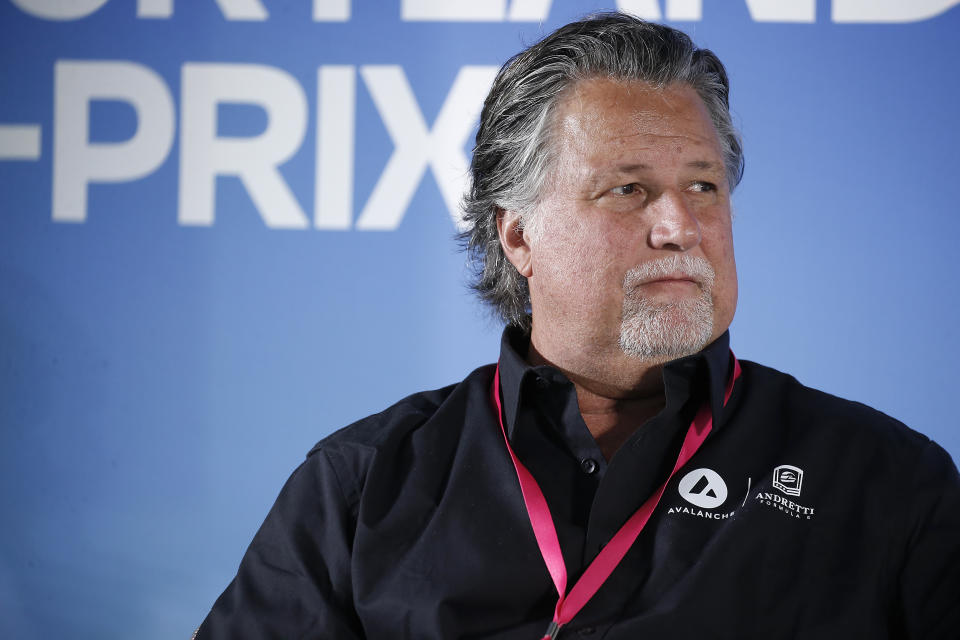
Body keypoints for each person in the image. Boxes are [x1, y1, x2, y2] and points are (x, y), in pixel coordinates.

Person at [195, 13, 960, 639]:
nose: (680, 226)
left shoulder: (889, 484)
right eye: (628, 189)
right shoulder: (361, 487)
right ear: (519, 236)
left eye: (704, 186)